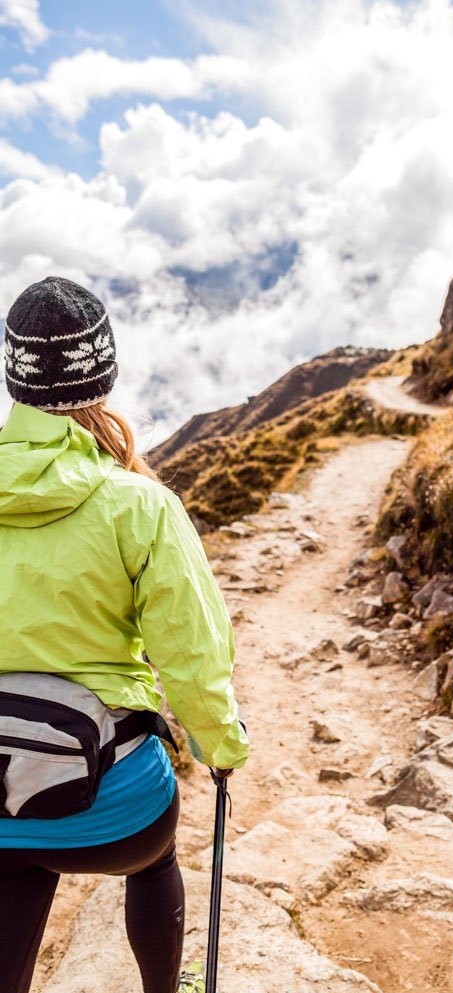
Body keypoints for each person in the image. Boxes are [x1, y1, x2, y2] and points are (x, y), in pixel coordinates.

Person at [0, 275, 249, 993]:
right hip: (110, 812)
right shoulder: (139, 503)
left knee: (14, 858)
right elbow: (192, 655)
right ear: (101, 374)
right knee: (151, 852)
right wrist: (220, 742)